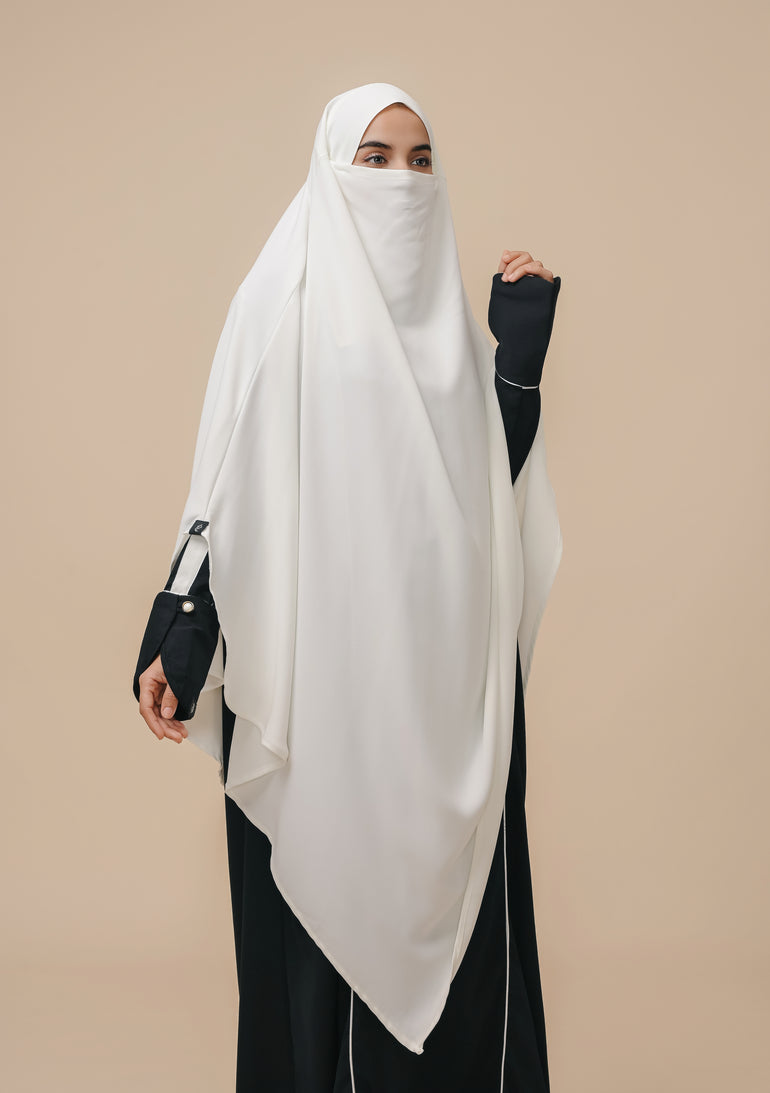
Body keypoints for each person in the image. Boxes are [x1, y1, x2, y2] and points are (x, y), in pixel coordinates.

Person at [133, 82, 563, 1092]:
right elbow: (226, 492)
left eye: (420, 159)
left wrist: (517, 359)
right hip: (322, 690)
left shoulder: (452, 341)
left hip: (443, 693)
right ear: (332, 170)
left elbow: (487, 507)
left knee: (459, 964)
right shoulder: (278, 309)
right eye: (375, 158)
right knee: (318, 949)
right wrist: (180, 638)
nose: (401, 180)